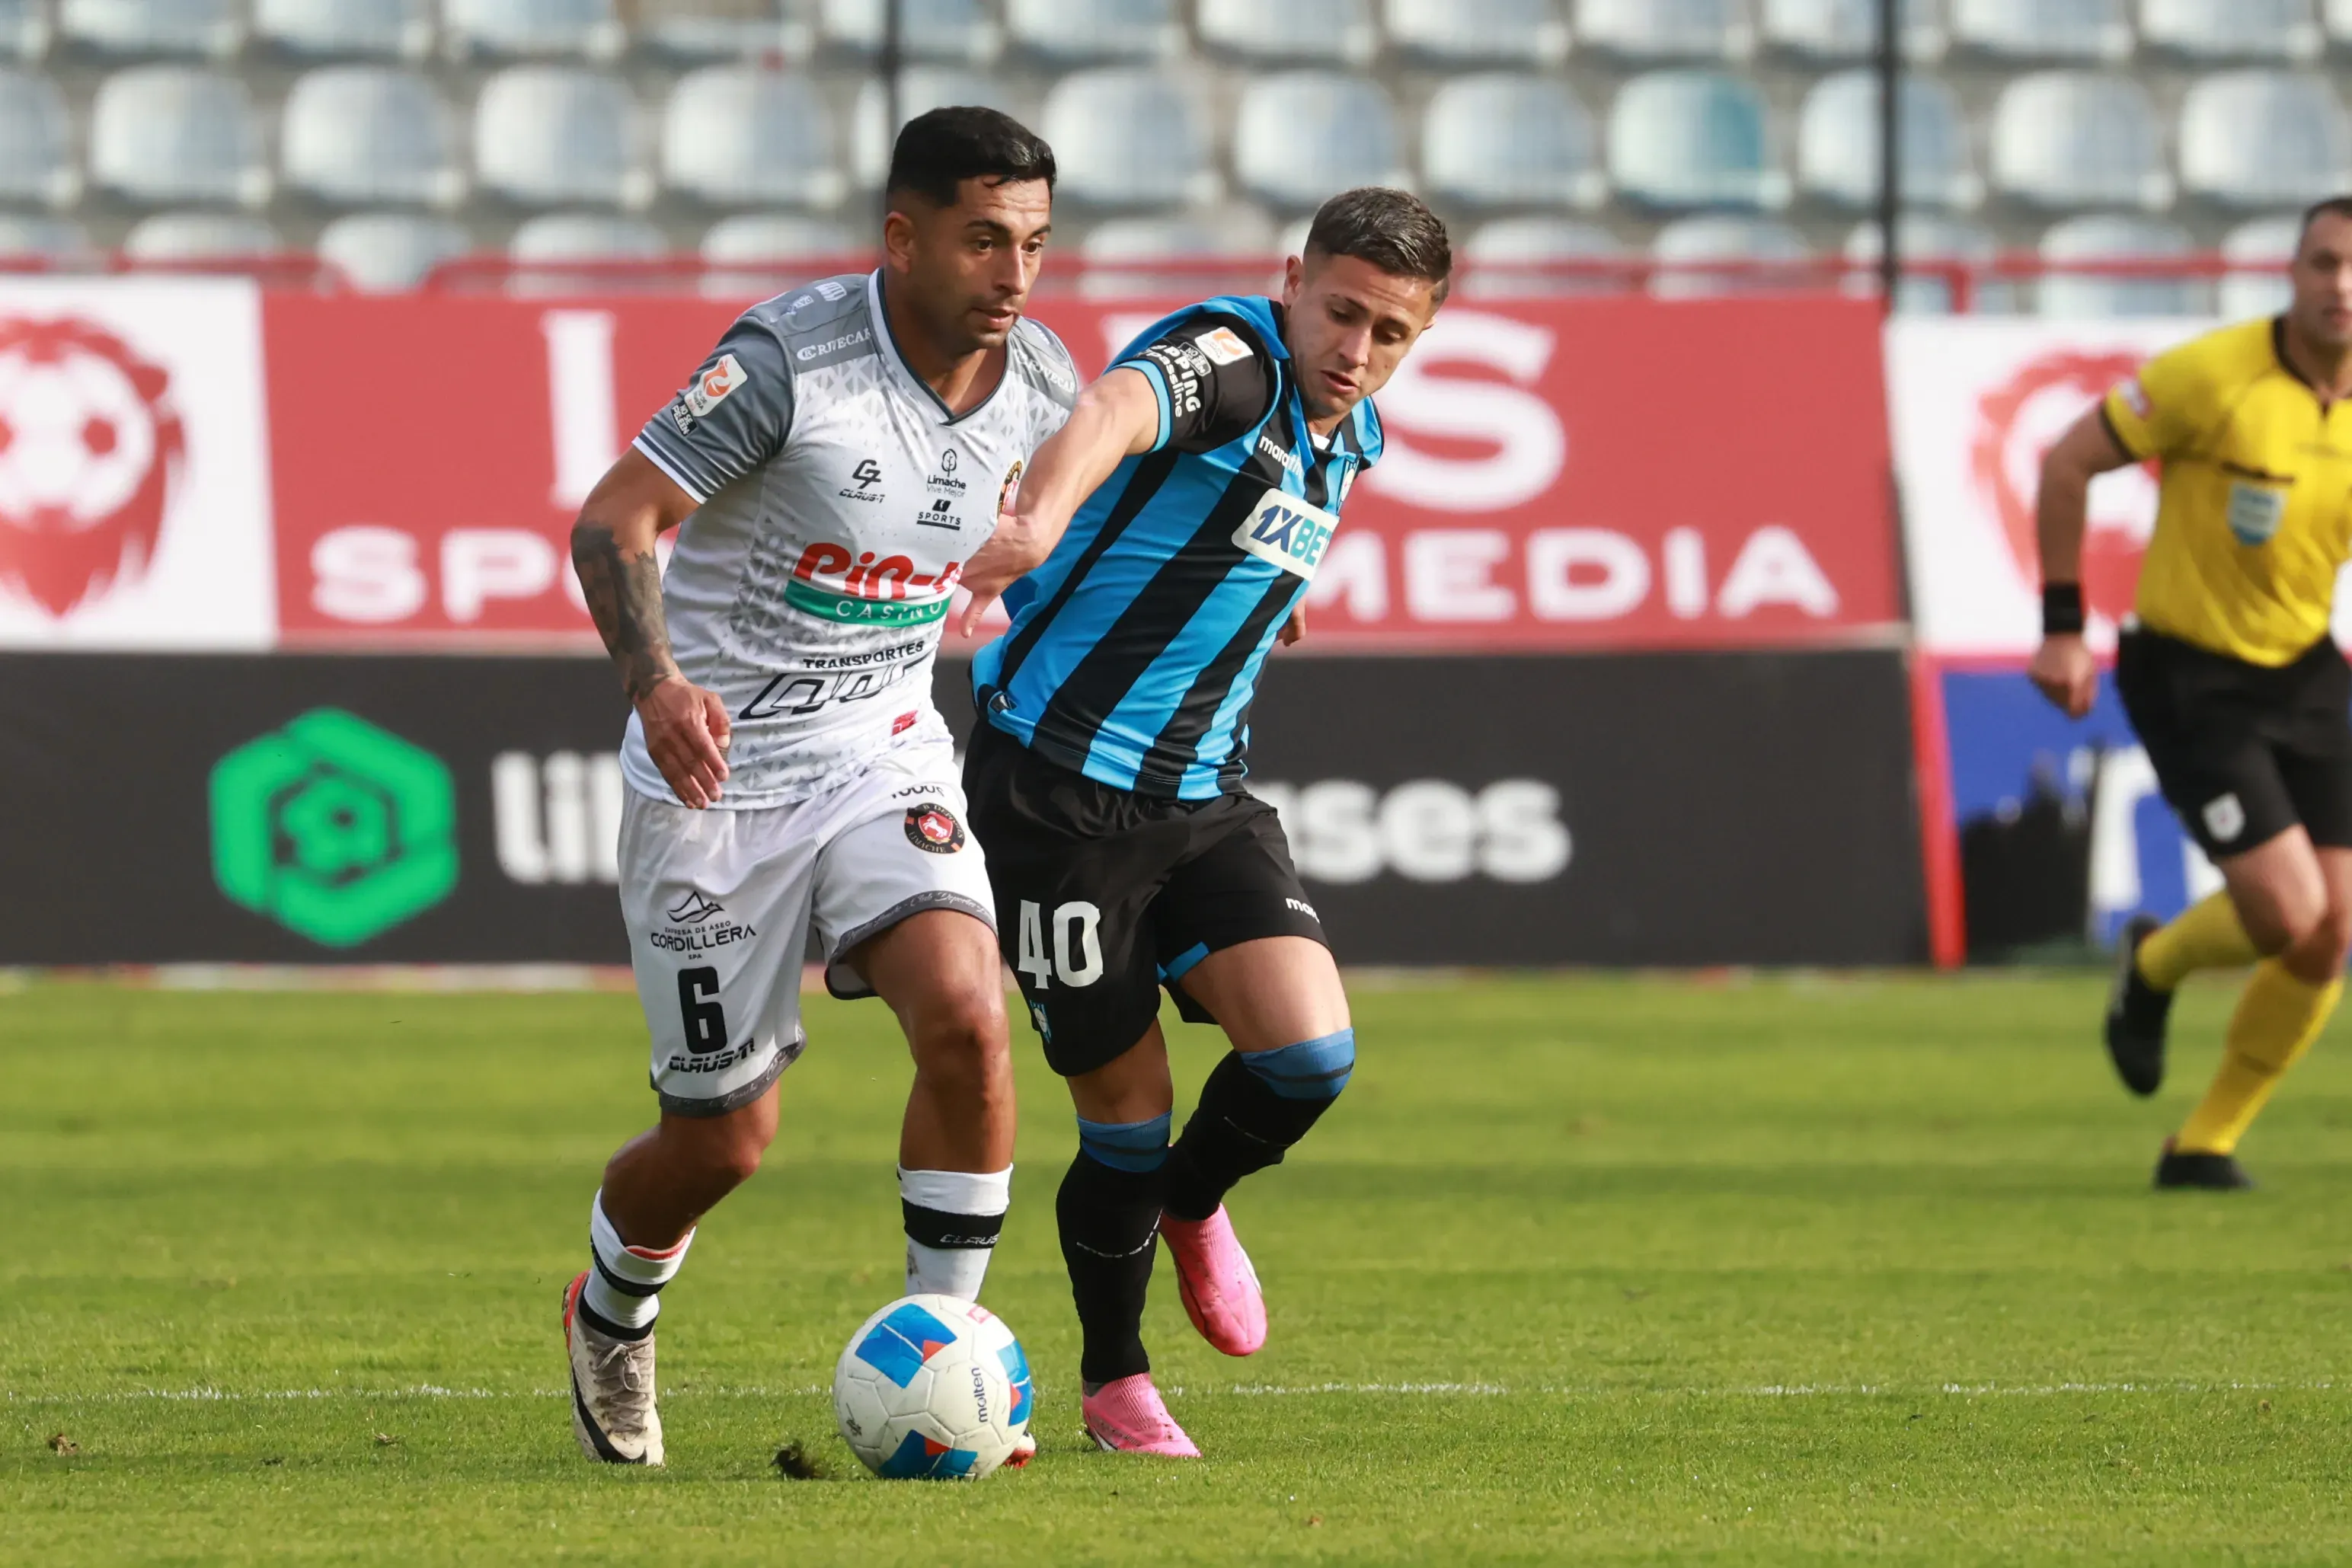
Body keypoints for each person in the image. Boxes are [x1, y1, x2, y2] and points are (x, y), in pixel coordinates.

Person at [559, 107, 1074, 1465]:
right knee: (723, 1141)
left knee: (969, 1017)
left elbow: (1086, 506)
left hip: (882, 750)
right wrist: (658, 683)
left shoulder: (1037, 380)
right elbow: (614, 519)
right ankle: (613, 1307)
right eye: (982, 240)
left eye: (1031, 241)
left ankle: (949, 1357)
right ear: (901, 239)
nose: (1014, 273)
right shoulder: (792, 364)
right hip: (718, 777)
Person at [951, 187, 1448, 1456]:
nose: (1355, 350)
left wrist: (1267, 602)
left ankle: (1191, 1203)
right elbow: (1115, 412)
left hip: (1204, 795)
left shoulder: (1360, 437)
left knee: (1307, 1059)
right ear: (1293, 282)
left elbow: (1236, 545)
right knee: (1120, 1114)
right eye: (1340, 313)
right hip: (1055, 798)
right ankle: (1115, 1379)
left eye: (1391, 332)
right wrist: (1036, 522)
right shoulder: (1230, 359)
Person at [2030, 195, 2352, 1190]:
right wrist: (2060, 629)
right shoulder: (2214, 377)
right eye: (2324, 263)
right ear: (2290, 273)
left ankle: (2205, 1143)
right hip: (2189, 669)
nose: (2342, 286)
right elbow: (2068, 462)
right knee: (2285, 910)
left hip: (2302, 666)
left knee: (2334, 924)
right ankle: (2155, 965)